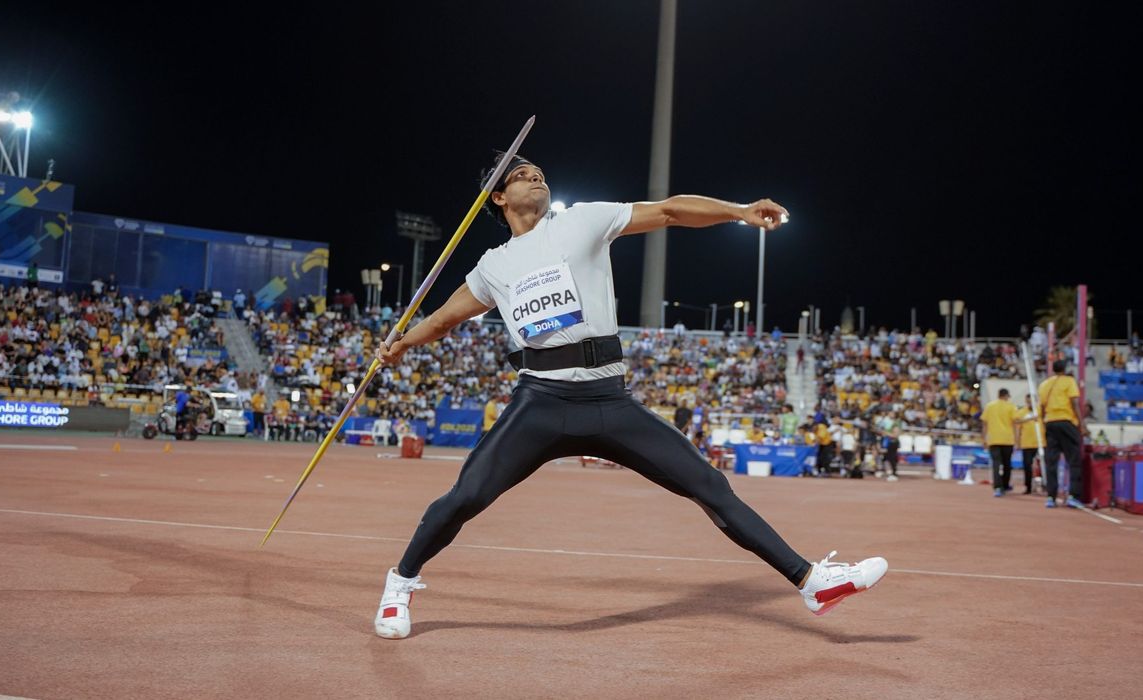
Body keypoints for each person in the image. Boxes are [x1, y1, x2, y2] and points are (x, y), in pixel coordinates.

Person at [370, 153, 887, 639]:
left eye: (540, 172)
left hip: (610, 402)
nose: (537, 177)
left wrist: (738, 212)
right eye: (523, 174)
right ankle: (400, 584)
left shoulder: (579, 222)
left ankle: (811, 582)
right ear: (498, 198)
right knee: (466, 497)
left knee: (709, 485)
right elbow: (441, 320)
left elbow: (667, 212)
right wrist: (397, 347)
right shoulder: (492, 266)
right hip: (541, 403)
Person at [1038, 360, 1088, 508]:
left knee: (1051, 462)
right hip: (1066, 422)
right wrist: (1082, 424)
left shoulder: (1044, 384)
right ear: (1065, 369)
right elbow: (1074, 403)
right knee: (1074, 460)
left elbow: (1041, 407)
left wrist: (1044, 424)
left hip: (1050, 423)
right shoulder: (1069, 381)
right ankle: (1073, 495)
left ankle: (1051, 497)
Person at [980, 388, 1019, 496]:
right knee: (1007, 464)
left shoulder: (990, 406)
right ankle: (1005, 485)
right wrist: (1017, 440)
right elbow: (1015, 423)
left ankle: (997, 487)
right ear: (1006, 396)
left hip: (994, 439)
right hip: (1007, 439)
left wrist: (984, 439)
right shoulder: (1011, 406)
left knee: (996, 464)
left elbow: (984, 424)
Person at [1014, 394, 1042, 494]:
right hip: (1027, 443)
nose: (1029, 403)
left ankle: (1043, 486)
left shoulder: (1040, 410)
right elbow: (1017, 427)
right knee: (1027, 465)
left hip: (1040, 443)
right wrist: (1017, 443)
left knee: (1042, 466)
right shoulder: (1021, 412)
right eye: (1028, 401)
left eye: (1031, 401)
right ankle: (1028, 487)